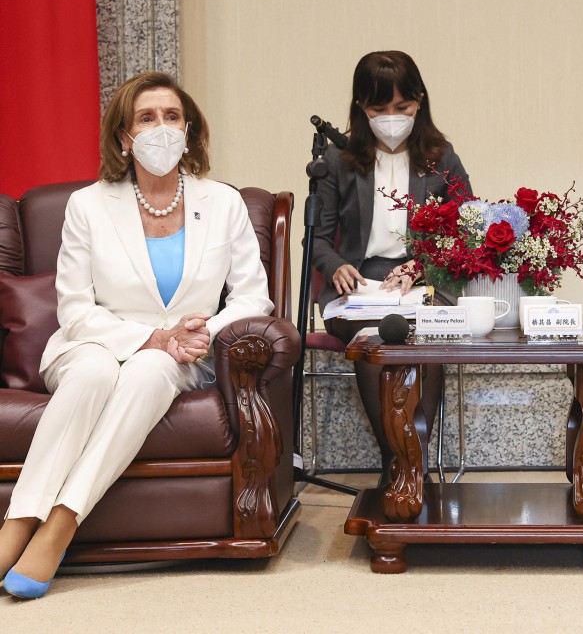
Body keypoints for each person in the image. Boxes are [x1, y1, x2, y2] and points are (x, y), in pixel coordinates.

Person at [0, 72, 273, 599]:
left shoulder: (224, 202)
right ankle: (18, 521)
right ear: (124, 138)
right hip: (91, 344)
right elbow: (75, 309)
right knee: (98, 373)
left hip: (183, 355)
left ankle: (59, 524)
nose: (161, 128)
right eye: (146, 118)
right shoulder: (87, 205)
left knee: (152, 371)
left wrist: (200, 333)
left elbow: (251, 298)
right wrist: (153, 336)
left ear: (189, 130)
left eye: (172, 117)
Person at [312, 50, 470, 484]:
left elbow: (463, 231)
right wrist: (336, 266)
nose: (392, 118)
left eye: (402, 108)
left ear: (419, 101)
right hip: (359, 286)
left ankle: (413, 464)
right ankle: (395, 464)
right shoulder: (338, 161)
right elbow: (319, 240)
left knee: (430, 336)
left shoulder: (442, 157)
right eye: (379, 109)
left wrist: (421, 266)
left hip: (422, 282)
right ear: (361, 108)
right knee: (375, 338)